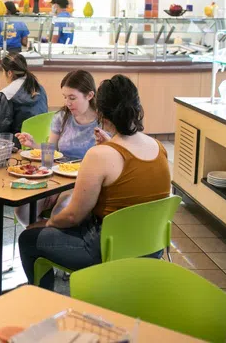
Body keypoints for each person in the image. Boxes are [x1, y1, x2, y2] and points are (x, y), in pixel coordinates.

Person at [18, 74, 171, 290]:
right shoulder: (159, 148)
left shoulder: (100, 155)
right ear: (137, 107)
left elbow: (72, 216)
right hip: (150, 247)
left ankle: (43, 302)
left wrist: (47, 223)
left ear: (101, 114)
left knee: (28, 238)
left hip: (107, 249)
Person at [14, 70, 99, 225]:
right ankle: (40, 236)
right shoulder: (62, 117)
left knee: (61, 211)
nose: (67, 102)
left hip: (82, 182)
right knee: (23, 210)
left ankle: (46, 235)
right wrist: (33, 145)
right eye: (65, 97)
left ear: (90, 95)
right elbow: (50, 154)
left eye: (72, 98)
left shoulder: (103, 123)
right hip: (56, 177)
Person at [0, 54, 48, 149]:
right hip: (38, 142)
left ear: (9, 73)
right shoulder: (39, 89)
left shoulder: (7, 95)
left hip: (15, 144)